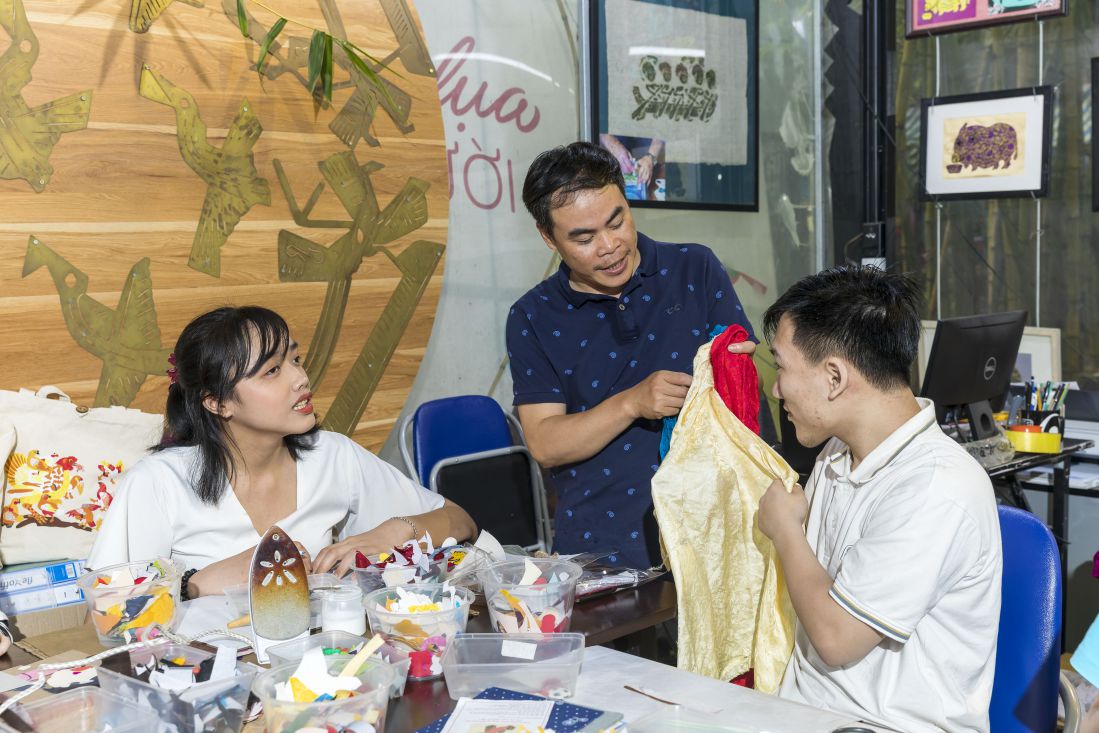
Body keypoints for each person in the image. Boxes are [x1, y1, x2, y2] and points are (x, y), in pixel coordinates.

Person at [757, 266, 1001, 732]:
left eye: (782, 367)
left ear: (834, 377)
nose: (775, 388)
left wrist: (786, 530)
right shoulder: (837, 450)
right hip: (804, 711)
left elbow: (836, 640)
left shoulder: (936, 488)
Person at [88, 306, 476, 597]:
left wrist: (395, 530)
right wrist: (196, 584)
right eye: (272, 371)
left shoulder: (332, 455)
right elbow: (107, 612)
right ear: (217, 402)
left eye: (295, 359)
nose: (301, 378)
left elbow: (461, 521)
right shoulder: (157, 482)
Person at [506, 141, 755, 568]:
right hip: (603, 548)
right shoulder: (533, 316)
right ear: (548, 237)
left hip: (716, 528)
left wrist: (733, 372)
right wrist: (632, 403)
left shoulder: (694, 268)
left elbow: (749, 388)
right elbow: (545, 444)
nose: (609, 246)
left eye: (616, 221)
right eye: (584, 238)